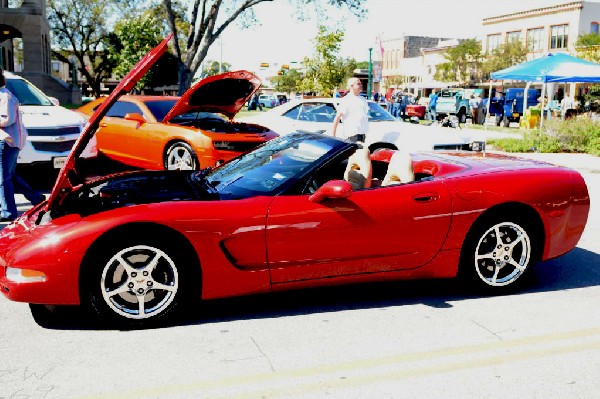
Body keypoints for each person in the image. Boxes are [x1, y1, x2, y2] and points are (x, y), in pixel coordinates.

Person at [0, 68, 44, 222]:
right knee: (9, 176)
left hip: (6, 141)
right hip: (9, 141)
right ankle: (37, 198)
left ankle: (8, 212)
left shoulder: (5, 96)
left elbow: (7, 119)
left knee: (2, 177)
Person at [332, 77, 369, 143]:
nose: (361, 85)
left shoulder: (363, 99)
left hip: (362, 135)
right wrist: (333, 135)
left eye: (361, 84)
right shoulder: (346, 100)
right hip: (352, 135)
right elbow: (337, 118)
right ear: (351, 86)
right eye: (358, 84)